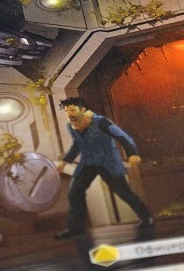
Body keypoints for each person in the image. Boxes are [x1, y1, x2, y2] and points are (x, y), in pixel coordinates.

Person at [54, 97, 153, 239]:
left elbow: (123, 137)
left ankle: (147, 218)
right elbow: (77, 145)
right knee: (74, 191)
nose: (69, 114)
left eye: (72, 110)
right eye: (66, 111)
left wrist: (132, 154)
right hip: (88, 162)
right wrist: (65, 162)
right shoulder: (71, 126)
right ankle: (76, 228)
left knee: (123, 192)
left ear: (82, 110)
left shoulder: (101, 122)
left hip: (108, 161)